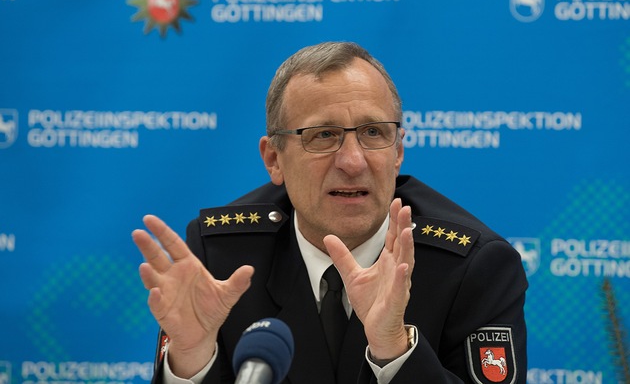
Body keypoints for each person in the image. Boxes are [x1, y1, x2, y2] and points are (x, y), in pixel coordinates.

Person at [132, 41, 528, 384]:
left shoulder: (473, 267)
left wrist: (394, 348)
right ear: (274, 159)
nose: (353, 161)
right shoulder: (223, 257)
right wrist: (190, 360)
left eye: (373, 132)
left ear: (398, 152)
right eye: (323, 135)